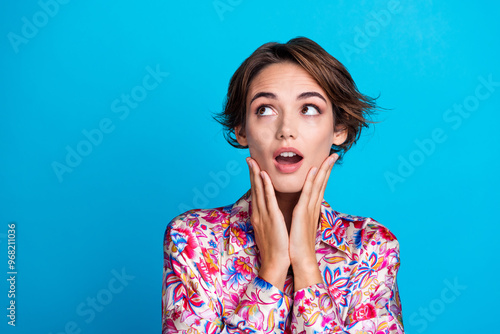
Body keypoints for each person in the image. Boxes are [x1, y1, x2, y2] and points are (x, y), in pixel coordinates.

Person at [162, 37, 404, 333]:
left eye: (309, 109)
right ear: (241, 130)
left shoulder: (372, 247)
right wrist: (273, 270)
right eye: (265, 110)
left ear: (339, 128)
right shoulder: (193, 240)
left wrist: (305, 264)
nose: (286, 130)